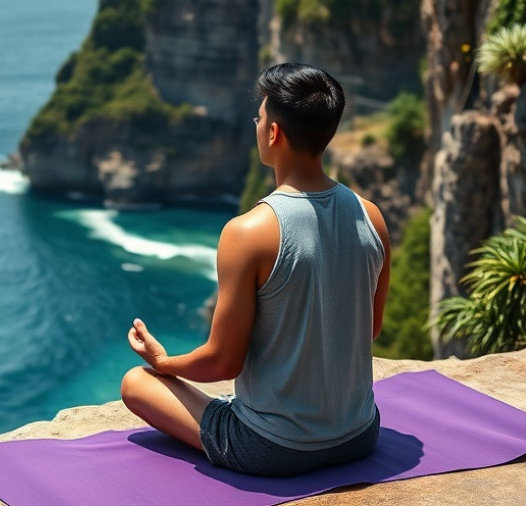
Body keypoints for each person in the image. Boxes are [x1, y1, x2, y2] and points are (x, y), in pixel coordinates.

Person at [120, 63, 391, 477]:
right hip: (359, 435)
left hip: (271, 448)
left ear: (273, 133)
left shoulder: (247, 232)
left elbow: (222, 364)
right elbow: (368, 328)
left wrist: (163, 361)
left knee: (134, 383)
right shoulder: (371, 217)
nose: (257, 123)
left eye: (259, 116)